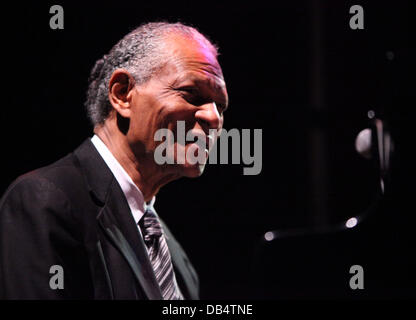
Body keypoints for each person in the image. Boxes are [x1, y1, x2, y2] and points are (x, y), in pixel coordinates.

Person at [0, 22, 228, 300]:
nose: (214, 118)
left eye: (221, 106)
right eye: (192, 94)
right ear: (122, 94)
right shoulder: (45, 202)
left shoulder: (174, 254)